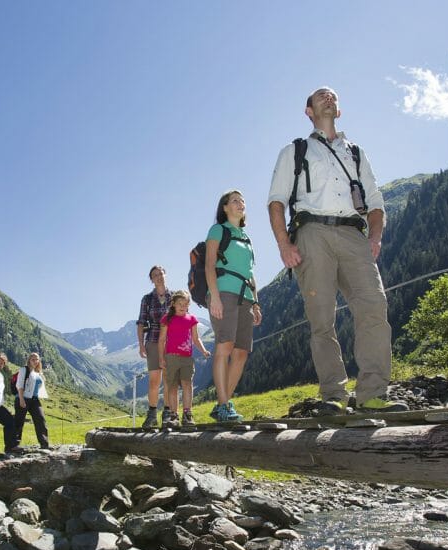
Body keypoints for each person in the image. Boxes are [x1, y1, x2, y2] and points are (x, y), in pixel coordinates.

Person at [267, 86, 393, 412]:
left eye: (333, 96)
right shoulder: (294, 151)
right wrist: (284, 244)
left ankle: (373, 395)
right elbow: (276, 201)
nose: (328, 97)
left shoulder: (357, 153)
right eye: (319, 95)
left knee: (374, 305)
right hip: (311, 233)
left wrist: (375, 238)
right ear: (308, 111)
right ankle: (334, 397)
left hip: (354, 235)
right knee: (322, 320)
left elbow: (376, 203)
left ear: (339, 110)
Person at [205, 189, 261, 422]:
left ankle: (223, 403)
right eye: (235, 201)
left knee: (241, 352)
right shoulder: (218, 230)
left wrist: (256, 303)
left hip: (246, 296)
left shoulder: (246, 238)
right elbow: (209, 265)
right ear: (225, 207)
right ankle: (224, 404)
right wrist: (215, 297)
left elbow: (250, 273)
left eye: (243, 201)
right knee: (224, 346)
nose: (241, 203)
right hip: (224, 292)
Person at [158, 289, 210, 426]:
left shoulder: (191, 319)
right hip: (171, 358)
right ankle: (174, 416)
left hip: (187, 359)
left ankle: (187, 415)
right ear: (173, 304)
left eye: (185, 304)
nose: (183, 306)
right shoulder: (167, 319)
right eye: (180, 303)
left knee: (187, 384)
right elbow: (162, 340)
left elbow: (196, 338)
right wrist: (161, 358)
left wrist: (204, 350)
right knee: (172, 387)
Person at [136, 265, 171, 428]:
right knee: (154, 380)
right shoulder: (147, 299)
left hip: (172, 342)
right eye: (155, 275)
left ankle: (168, 414)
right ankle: (151, 415)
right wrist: (141, 345)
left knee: (169, 379)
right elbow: (141, 322)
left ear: (165, 275)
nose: (159, 277)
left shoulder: (175, 297)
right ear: (151, 280)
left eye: (161, 273)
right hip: (153, 340)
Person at [14, 352, 51, 449]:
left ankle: (44, 444)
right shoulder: (24, 370)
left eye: (37, 359)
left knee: (40, 419)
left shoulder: (37, 372)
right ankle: (14, 445)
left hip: (34, 399)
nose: (35, 361)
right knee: (19, 421)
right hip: (23, 398)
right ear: (29, 360)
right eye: (33, 359)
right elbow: (19, 385)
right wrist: (21, 399)